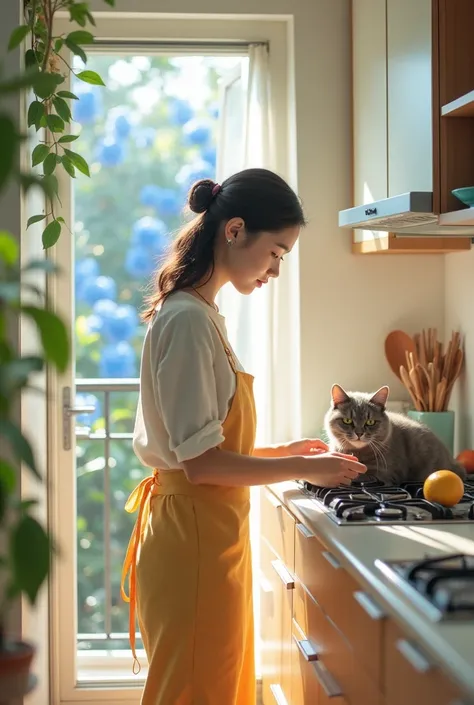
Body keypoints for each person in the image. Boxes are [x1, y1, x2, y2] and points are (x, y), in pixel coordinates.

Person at [120, 168, 366, 705]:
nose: (277, 269)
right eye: (276, 252)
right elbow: (203, 466)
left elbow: (205, 447)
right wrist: (303, 469)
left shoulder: (203, 314)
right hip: (193, 538)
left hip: (210, 532)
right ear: (234, 231)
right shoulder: (186, 320)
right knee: (192, 688)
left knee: (215, 680)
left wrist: (282, 452)